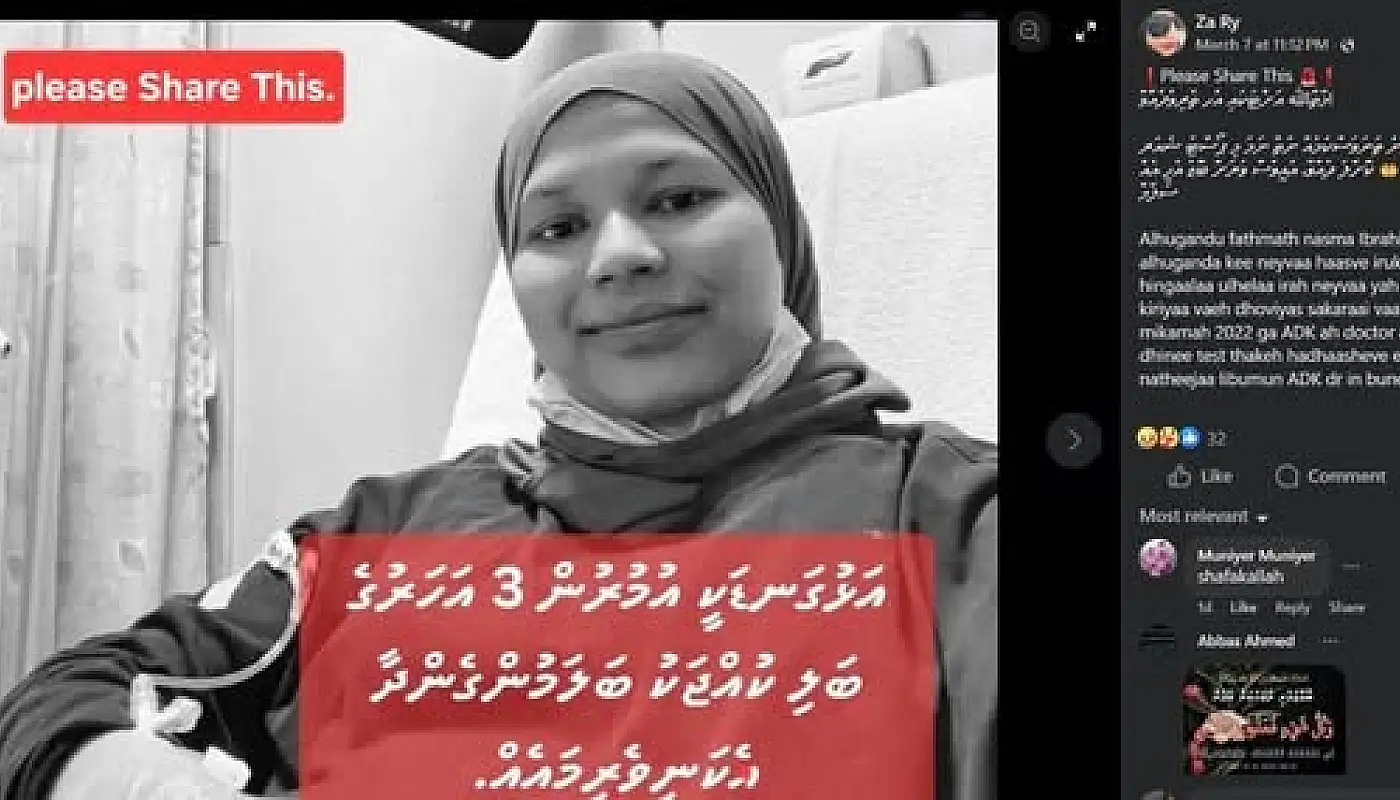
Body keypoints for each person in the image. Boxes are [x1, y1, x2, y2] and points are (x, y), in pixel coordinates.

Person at [0, 50, 997, 799]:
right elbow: (76, 692)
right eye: (557, 227)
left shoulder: (949, 516)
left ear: (780, 231)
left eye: (679, 196)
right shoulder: (383, 533)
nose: (620, 253)